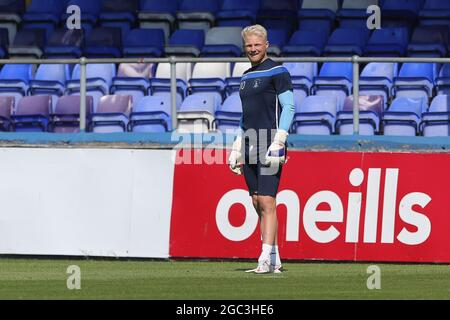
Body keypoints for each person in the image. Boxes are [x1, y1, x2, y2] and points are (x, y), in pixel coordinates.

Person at [228, 25, 295, 274]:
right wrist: (237, 145)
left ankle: (264, 259)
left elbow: (288, 107)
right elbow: (246, 116)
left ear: (266, 44)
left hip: (270, 142)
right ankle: (274, 257)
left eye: (257, 44)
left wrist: (280, 140)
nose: (253, 49)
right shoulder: (245, 77)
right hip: (249, 143)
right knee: (256, 201)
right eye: (249, 45)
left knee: (267, 200)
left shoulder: (279, 71)